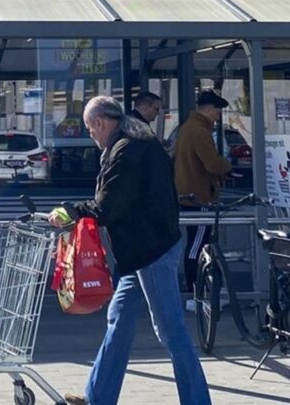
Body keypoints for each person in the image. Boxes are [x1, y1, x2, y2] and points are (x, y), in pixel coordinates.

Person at [49, 96, 211, 405]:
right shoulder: (133, 140)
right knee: (119, 321)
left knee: (170, 330)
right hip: (140, 251)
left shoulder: (127, 150)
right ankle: (99, 397)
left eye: (89, 128)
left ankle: (197, 400)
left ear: (99, 122)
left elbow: (108, 206)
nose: (90, 135)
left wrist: (70, 211)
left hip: (152, 251)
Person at [174, 91, 232, 311]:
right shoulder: (199, 132)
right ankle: (193, 291)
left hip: (189, 195)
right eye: (217, 112)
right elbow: (212, 164)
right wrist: (228, 165)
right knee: (197, 246)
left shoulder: (187, 128)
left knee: (200, 244)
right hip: (199, 198)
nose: (218, 117)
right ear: (208, 109)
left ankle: (208, 288)